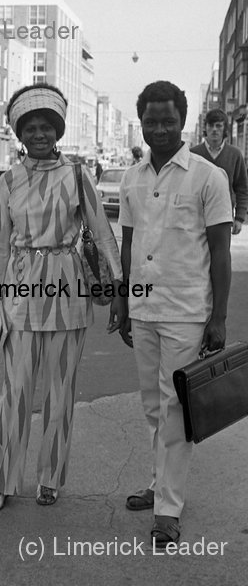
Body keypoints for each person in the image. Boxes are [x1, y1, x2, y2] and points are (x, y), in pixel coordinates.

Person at [0, 83, 123, 513]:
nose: (39, 134)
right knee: (16, 391)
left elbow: (101, 233)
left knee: (61, 393)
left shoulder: (78, 176)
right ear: (19, 134)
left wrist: (118, 291)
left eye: (47, 126)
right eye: (31, 128)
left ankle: (50, 478)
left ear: (58, 130)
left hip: (68, 291)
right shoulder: (5, 182)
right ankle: (4, 480)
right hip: (20, 292)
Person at [114, 81, 232, 547]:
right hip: (143, 310)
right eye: (150, 121)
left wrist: (218, 317)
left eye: (168, 120)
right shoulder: (131, 178)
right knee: (151, 405)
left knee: (176, 406)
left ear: (184, 121)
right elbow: (128, 244)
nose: (159, 129)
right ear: (140, 122)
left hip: (186, 311)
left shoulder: (208, 177)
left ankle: (169, 508)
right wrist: (122, 301)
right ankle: (159, 482)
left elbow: (220, 254)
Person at [191, 108, 248, 235]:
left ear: (225, 129)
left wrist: (239, 217)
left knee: (221, 254)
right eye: (211, 125)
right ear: (205, 128)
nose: (214, 129)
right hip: (195, 217)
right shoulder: (193, 154)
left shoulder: (235, 155)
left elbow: (242, 188)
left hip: (223, 217)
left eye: (219, 126)